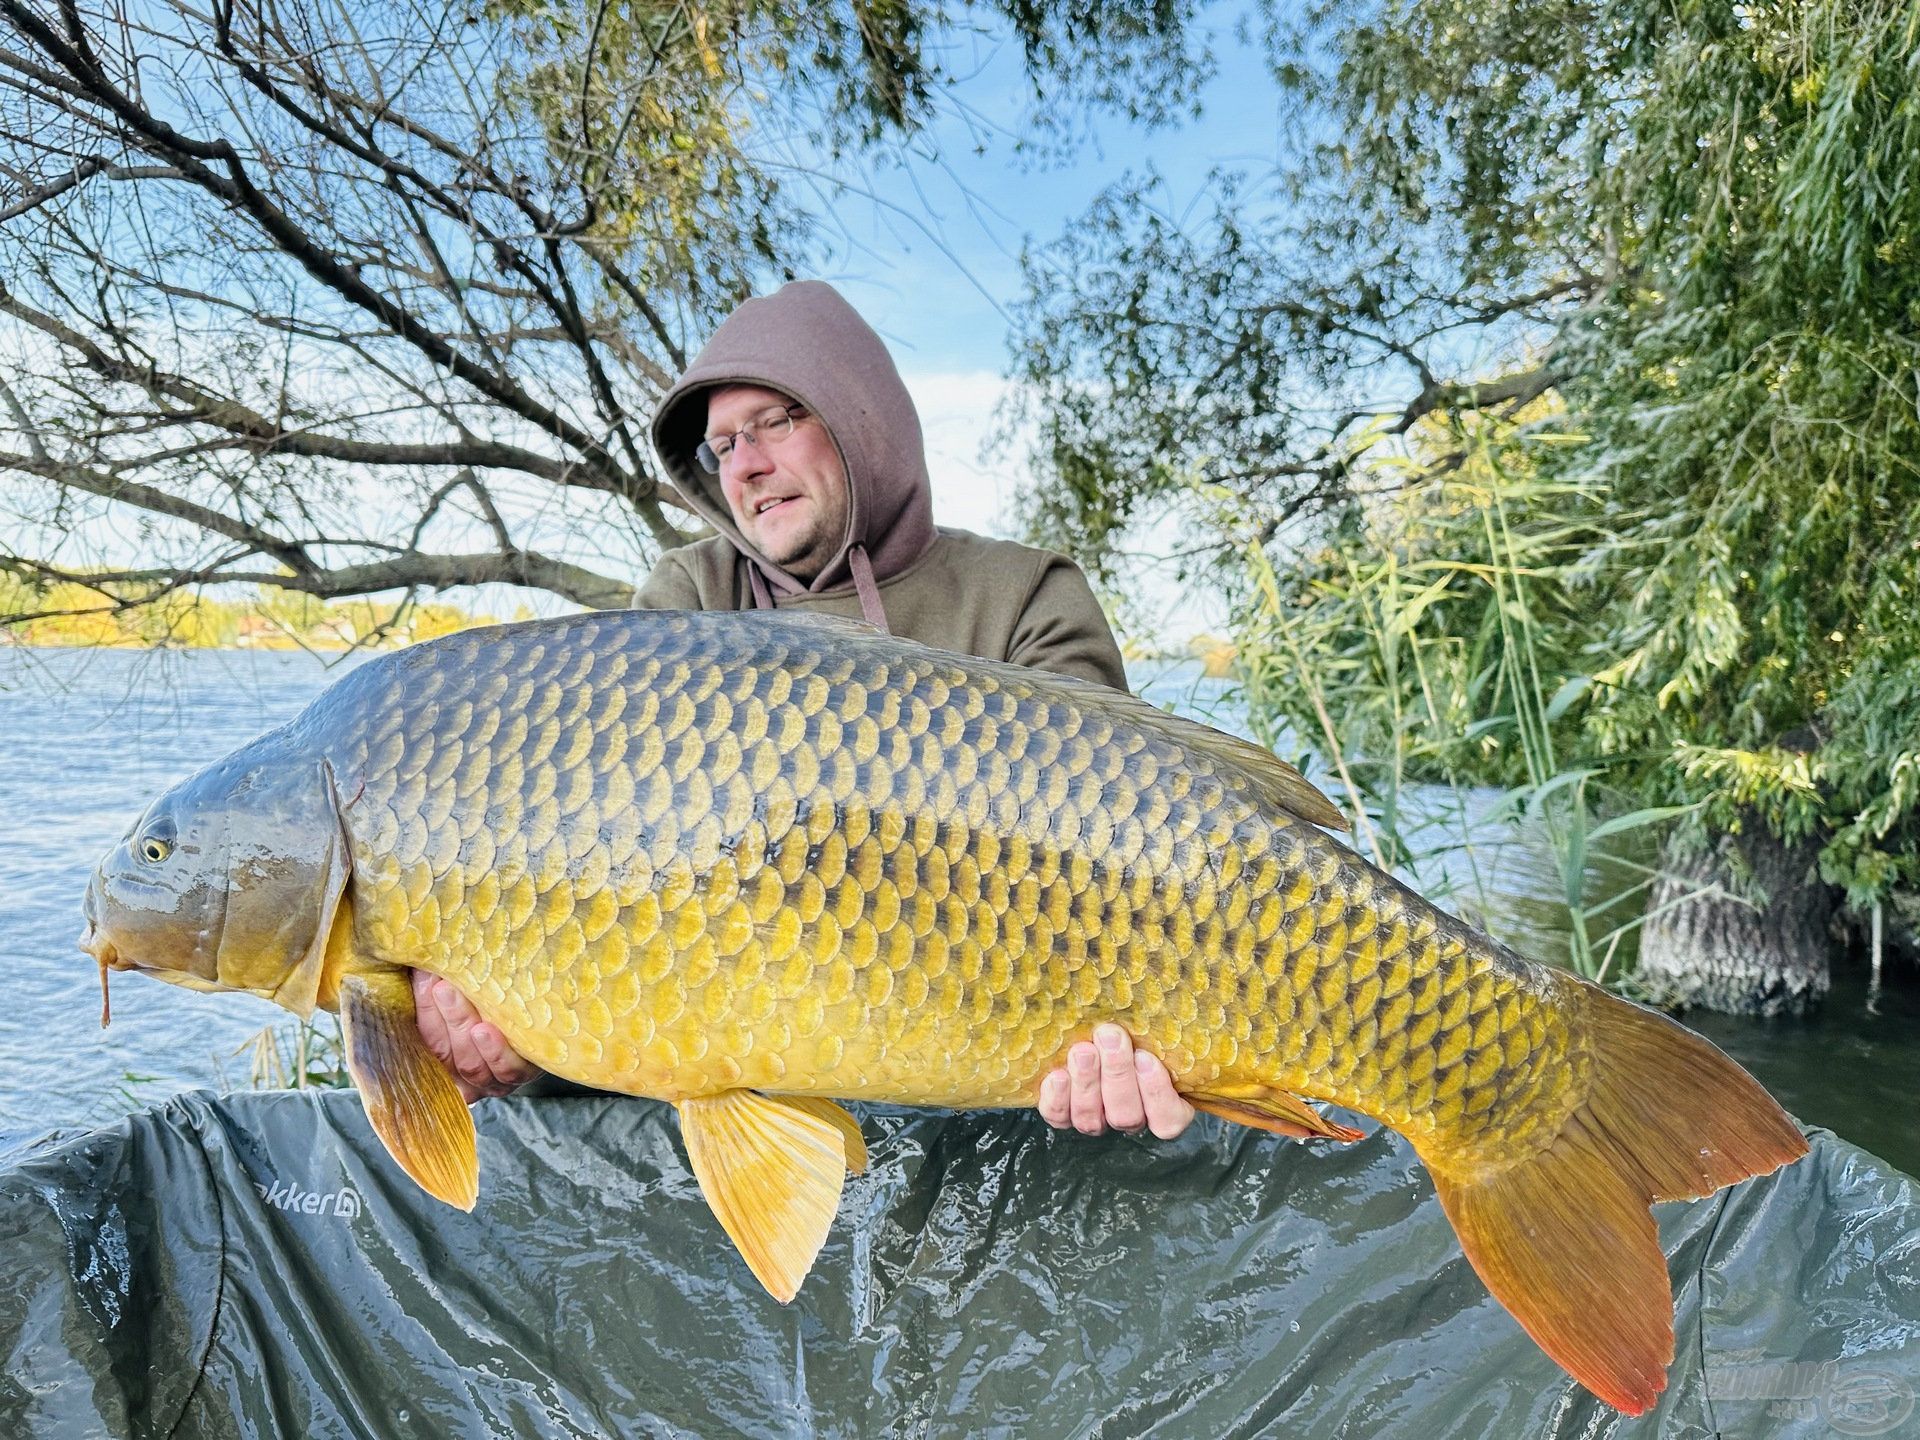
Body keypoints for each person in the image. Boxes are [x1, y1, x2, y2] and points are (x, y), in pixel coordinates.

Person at [414, 279, 1194, 1142]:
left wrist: (1134, 1061)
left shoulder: (1023, 597)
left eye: (776, 421)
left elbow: (1127, 859)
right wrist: (523, 1021)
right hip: (756, 1097)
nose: (744, 466)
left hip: (1002, 1093)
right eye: (721, 447)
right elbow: (613, 884)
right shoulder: (686, 603)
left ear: (863, 422)